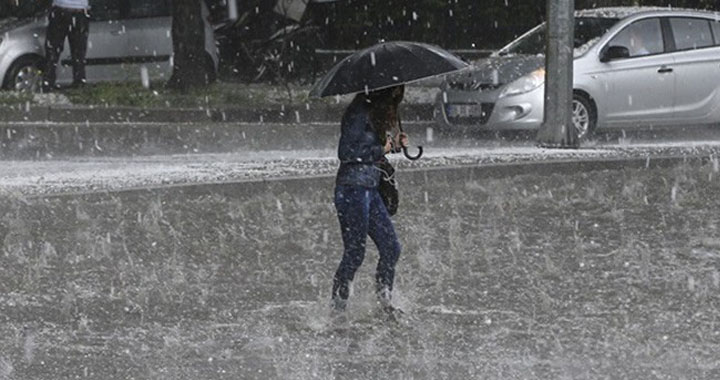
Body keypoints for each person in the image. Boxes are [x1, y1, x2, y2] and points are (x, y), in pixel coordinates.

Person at [331, 84, 409, 318]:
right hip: (352, 189)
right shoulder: (359, 111)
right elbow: (346, 152)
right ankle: (337, 310)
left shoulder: (374, 111)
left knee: (391, 248)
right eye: (395, 94)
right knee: (355, 253)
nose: (397, 99)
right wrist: (380, 148)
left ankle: (385, 302)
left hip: (370, 188)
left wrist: (394, 145)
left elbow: (370, 149)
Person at [42, 0, 90, 92]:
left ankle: (48, 83)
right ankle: (78, 83)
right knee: (78, 52)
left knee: (54, 50)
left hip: (64, 10)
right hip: (76, 10)